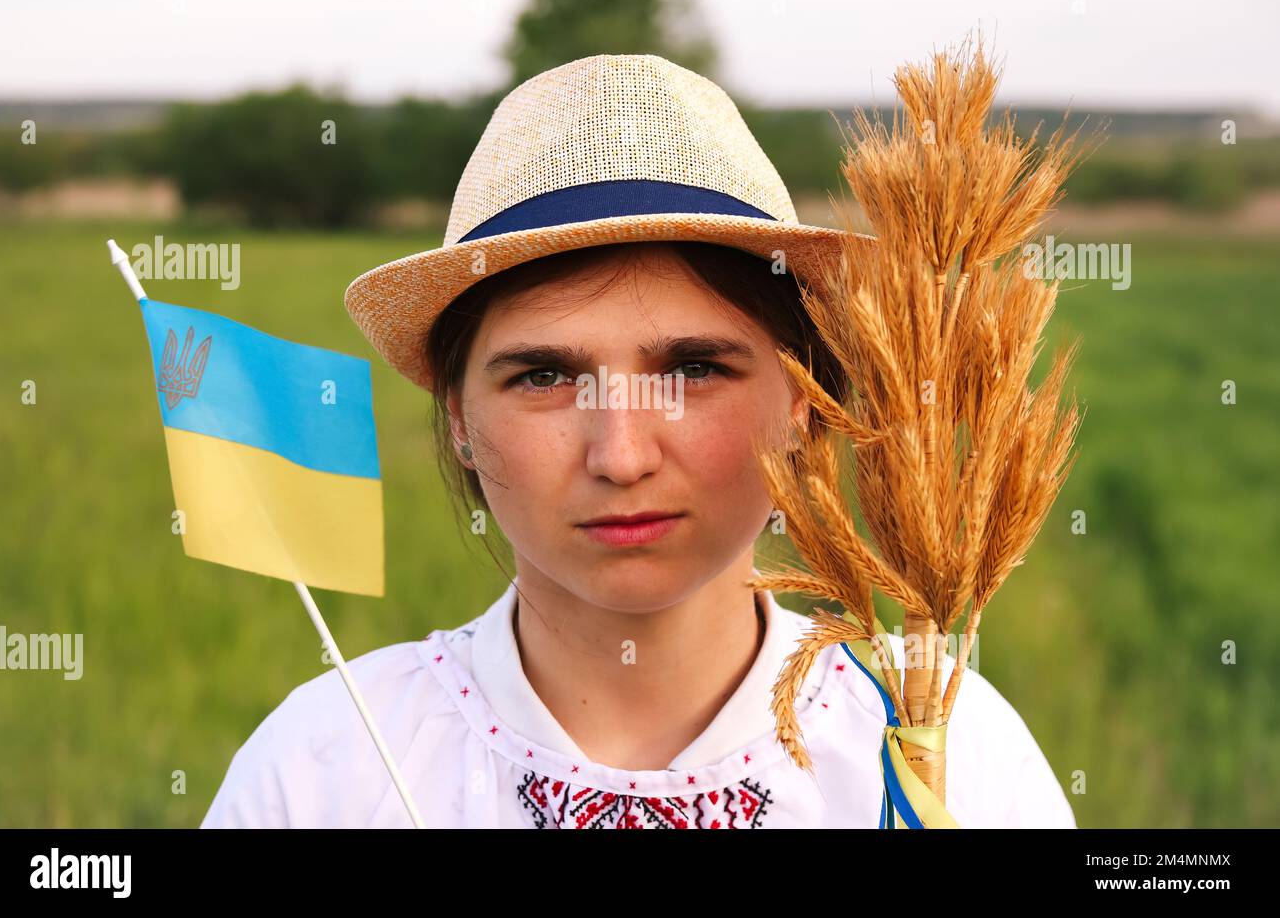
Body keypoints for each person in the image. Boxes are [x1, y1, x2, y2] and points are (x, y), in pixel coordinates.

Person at [201, 53, 1076, 829]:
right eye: (544, 377)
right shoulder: (326, 771)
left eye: (693, 369)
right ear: (460, 419)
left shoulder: (949, 760)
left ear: (808, 395)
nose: (621, 456)